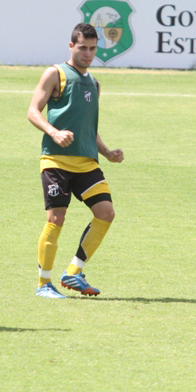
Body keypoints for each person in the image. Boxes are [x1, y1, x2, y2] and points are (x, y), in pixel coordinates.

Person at [27, 23, 124, 299]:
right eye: (82, 48)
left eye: (92, 49)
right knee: (56, 218)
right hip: (56, 161)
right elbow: (33, 111)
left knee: (106, 213)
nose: (88, 54)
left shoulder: (94, 84)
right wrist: (53, 132)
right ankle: (44, 284)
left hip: (86, 163)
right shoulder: (55, 74)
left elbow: (88, 128)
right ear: (71, 46)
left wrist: (107, 152)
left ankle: (73, 271)